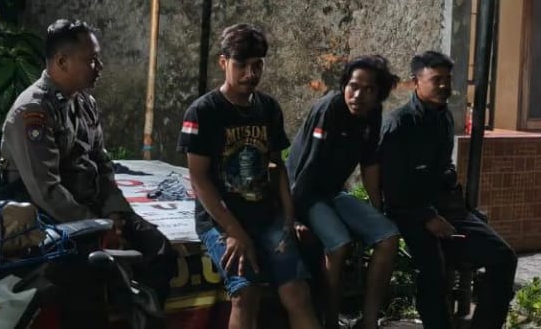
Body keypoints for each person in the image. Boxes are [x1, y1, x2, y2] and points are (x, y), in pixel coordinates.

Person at [0, 19, 174, 310]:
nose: (99, 67)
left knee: (160, 249)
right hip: (53, 217)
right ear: (62, 62)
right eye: (91, 60)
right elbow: (47, 191)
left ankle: (142, 314)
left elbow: (102, 165)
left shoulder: (85, 103)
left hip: (93, 209)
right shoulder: (33, 111)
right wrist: (99, 227)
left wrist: (115, 212)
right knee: (88, 272)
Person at [178, 24, 321, 329]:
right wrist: (234, 231)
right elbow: (199, 179)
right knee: (245, 294)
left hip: (266, 215)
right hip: (220, 220)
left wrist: (287, 218)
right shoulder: (203, 112)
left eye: (257, 65)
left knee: (298, 292)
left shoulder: (268, 108)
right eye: (241, 65)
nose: (250, 74)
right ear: (223, 63)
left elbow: (277, 166)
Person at [378, 51, 516, 329]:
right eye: (436, 79)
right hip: (409, 213)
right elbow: (393, 188)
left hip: (446, 209)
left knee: (504, 257)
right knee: (434, 272)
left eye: (447, 79)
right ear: (416, 82)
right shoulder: (399, 124)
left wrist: (451, 190)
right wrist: (427, 217)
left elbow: (444, 167)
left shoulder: (444, 118)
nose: (444, 86)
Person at [287, 56, 401, 329]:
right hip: (305, 193)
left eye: (368, 89)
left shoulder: (373, 114)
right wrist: (292, 217)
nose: (358, 95)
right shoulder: (329, 109)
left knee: (388, 237)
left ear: (379, 94)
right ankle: (330, 322)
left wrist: (377, 207)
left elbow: (369, 163)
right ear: (344, 85)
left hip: (334, 192)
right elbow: (305, 169)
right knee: (338, 244)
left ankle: (369, 321)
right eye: (353, 86)